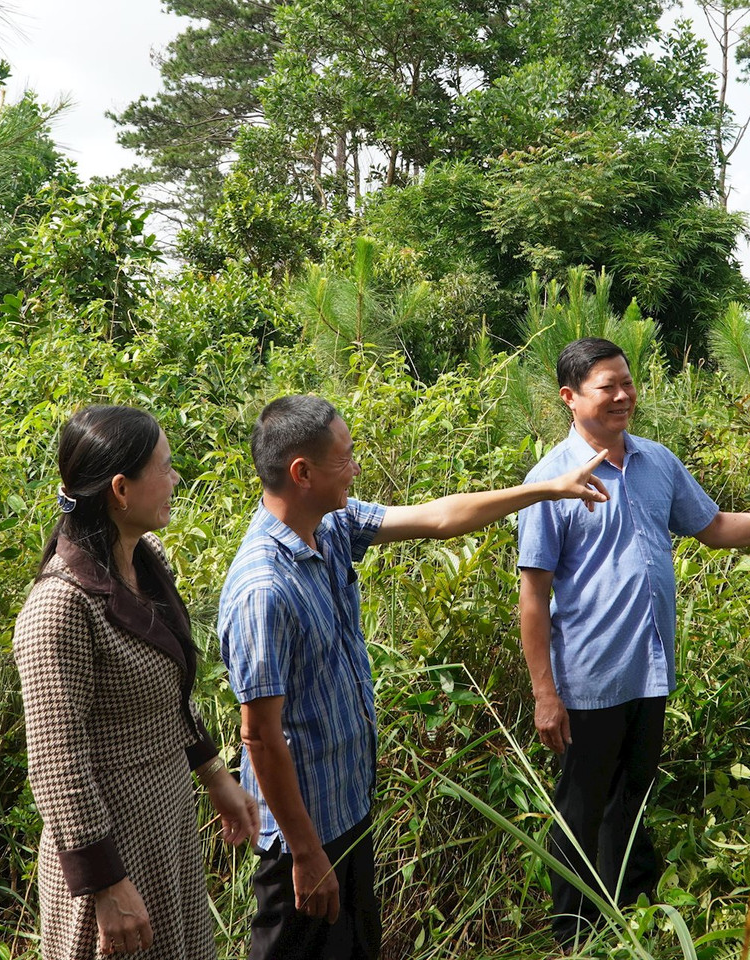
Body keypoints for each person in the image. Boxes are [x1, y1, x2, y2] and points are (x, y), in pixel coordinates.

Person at [217, 393, 612, 960]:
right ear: (301, 473)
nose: (356, 469)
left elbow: (440, 518)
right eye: (346, 458)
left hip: (347, 808)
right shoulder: (264, 589)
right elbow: (259, 736)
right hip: (302, 836)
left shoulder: (329, 527)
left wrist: (546, 489)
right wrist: (305, 854)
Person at [517, 338, 750, 947]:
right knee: (580, 813)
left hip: (650, 672)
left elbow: (718, 528)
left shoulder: (657, 463)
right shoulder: (550, 481)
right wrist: (545, 692)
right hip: (589, 680)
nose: (623, 395)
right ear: (570, 398)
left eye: (627, 381)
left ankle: (631, 919)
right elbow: (533, 596)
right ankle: (573, 936)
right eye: (607, 387)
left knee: (631, 800)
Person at [15, 405, 261, 960]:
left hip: (165, 828)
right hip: (111, 850)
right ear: (121, 490)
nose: (176, 479)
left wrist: (214, 775)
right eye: (166, 467)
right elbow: (57, 762)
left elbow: (168, 692)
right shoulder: (61, 605)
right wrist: (105, 886)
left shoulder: (143, 560)